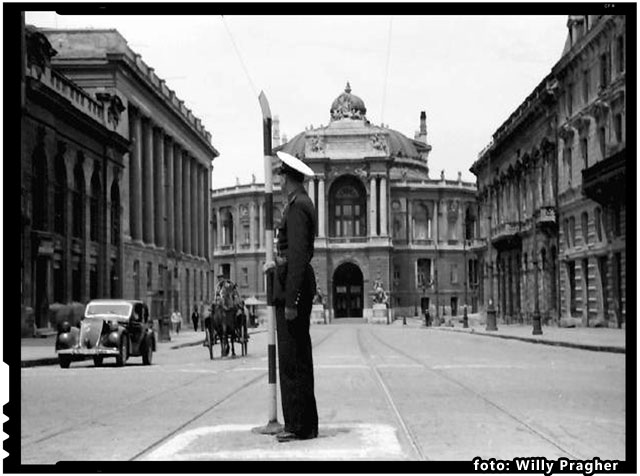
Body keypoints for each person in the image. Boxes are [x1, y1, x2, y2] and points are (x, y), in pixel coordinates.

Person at [264, 151, 318, 443]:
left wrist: (292, 301)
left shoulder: (297, 208)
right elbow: (293, 255)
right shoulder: (301, 204)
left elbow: (297, 256)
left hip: (292, 289)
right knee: (298, 358)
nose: (280, 180)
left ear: (289, 179)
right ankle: (305, 424)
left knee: (292, 360)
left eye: (282, 176)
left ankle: (298, 425)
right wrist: (277, 264)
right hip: (291, 283)